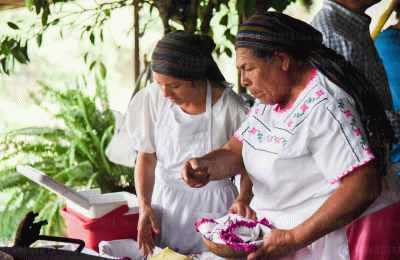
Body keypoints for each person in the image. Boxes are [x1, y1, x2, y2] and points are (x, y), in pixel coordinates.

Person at [181, 12, 394, 260]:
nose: (243, 81)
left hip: (337, 238)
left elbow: (363, 185)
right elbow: (237, 150)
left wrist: (294, 238)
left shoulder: (326, 105)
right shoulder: (270, 98)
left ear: (281, 59)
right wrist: (204, 165)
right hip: (290, 235)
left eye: (248, 68)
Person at [124, 31, 248, 255]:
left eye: (174, 86)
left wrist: (242, 198)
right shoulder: (152, 100)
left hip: (214, 211)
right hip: (166, 206)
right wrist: (144, 205)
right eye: (159, 83)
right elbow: (146, 157)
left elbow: (249, 163)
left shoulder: (231, 108)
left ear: (197, 77)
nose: (165, 93)